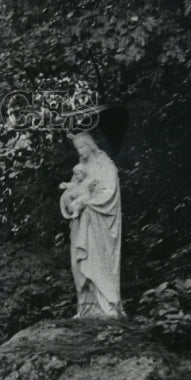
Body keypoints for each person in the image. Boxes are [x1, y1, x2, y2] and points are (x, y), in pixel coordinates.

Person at [61, 131, 124, 318]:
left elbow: (110, 192)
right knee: (80, 263)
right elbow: (72, 191)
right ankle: (86, 307)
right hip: (82, 221)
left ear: (91, 145)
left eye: (82, 147)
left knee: (98, 261)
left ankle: (107, 306)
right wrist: (69, 199)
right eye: (78, 148)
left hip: (99, 224)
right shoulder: (80, 168)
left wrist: (88, 202)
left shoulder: (106, 165)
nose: (81, 151)